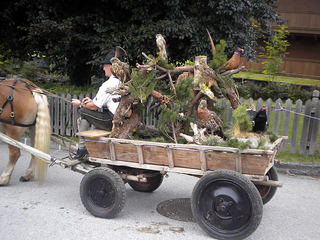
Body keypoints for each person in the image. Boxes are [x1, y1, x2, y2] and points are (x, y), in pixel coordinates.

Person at [71, 50, 122, 159]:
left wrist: (80, 104)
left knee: (83, 111)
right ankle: (84, 148)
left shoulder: (109, 84)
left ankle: (82, 148)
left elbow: (94, 106)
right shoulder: (121, 82)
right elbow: (108, 102)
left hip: (110, 121)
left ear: (110, 66)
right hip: (118, 119)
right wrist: (90, 102)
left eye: (104, 66)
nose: (103, 68)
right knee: (85, 116)